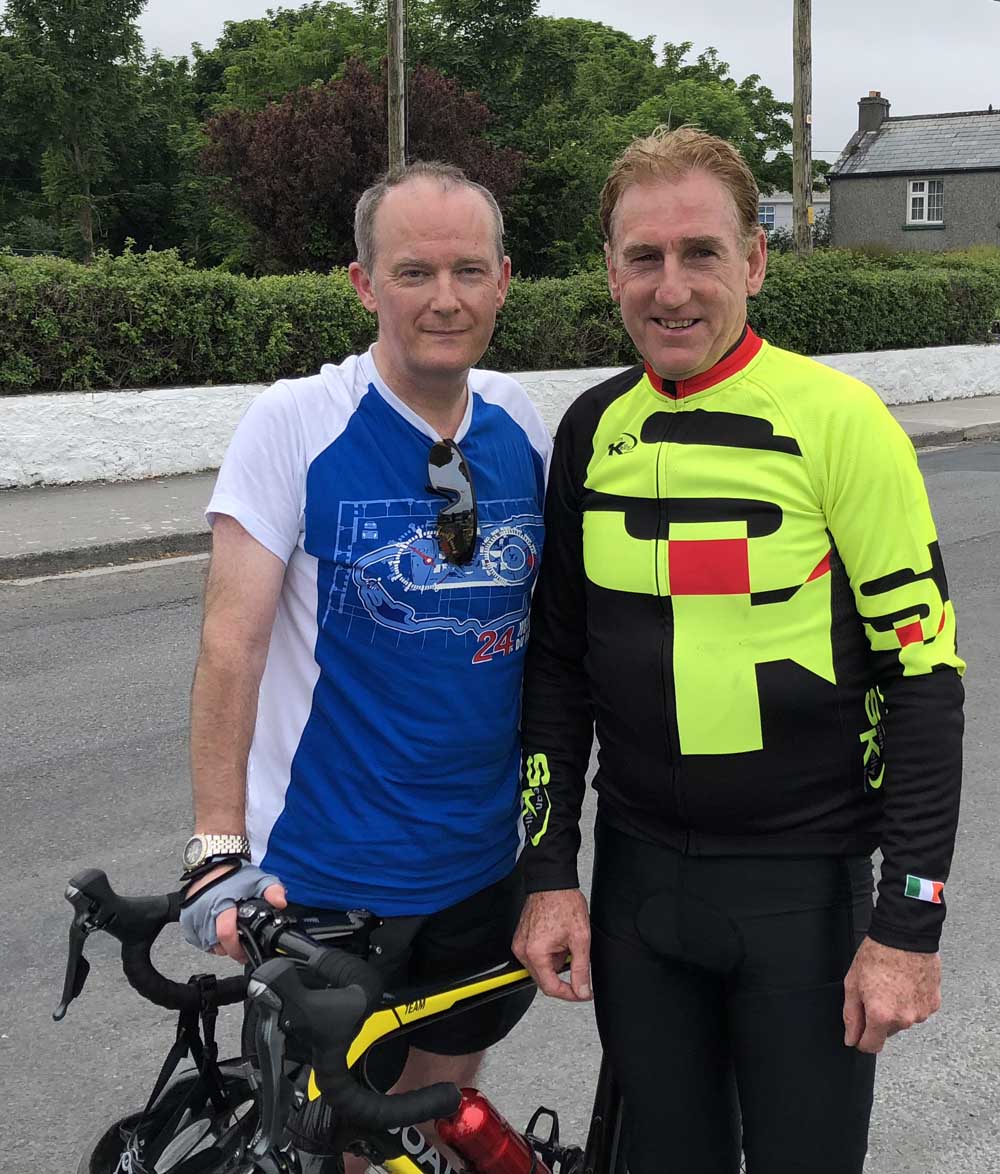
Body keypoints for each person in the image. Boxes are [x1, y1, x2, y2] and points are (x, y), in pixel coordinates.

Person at [513, 127, 965, 1174]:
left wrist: (908, 925)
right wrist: (546, 870)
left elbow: (924, 682)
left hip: (801, 897)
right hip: (637, 894)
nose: (671, 289)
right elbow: (559, 666)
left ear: (754, 259)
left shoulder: (841, 421)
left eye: (701, 253)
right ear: (611, 269)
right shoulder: (589, 428)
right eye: (643, 257)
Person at [179, 161, 551, 1170]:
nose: (445, 297)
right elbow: (232, 642)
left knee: (432, 1120)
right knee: (340, 1140)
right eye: (414, 271)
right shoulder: (294, 422)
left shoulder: (522, 422)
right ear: (363, 282)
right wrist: (217, 849)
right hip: (325, 882)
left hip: (483, 865)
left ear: (504, 280)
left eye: (469, 270)